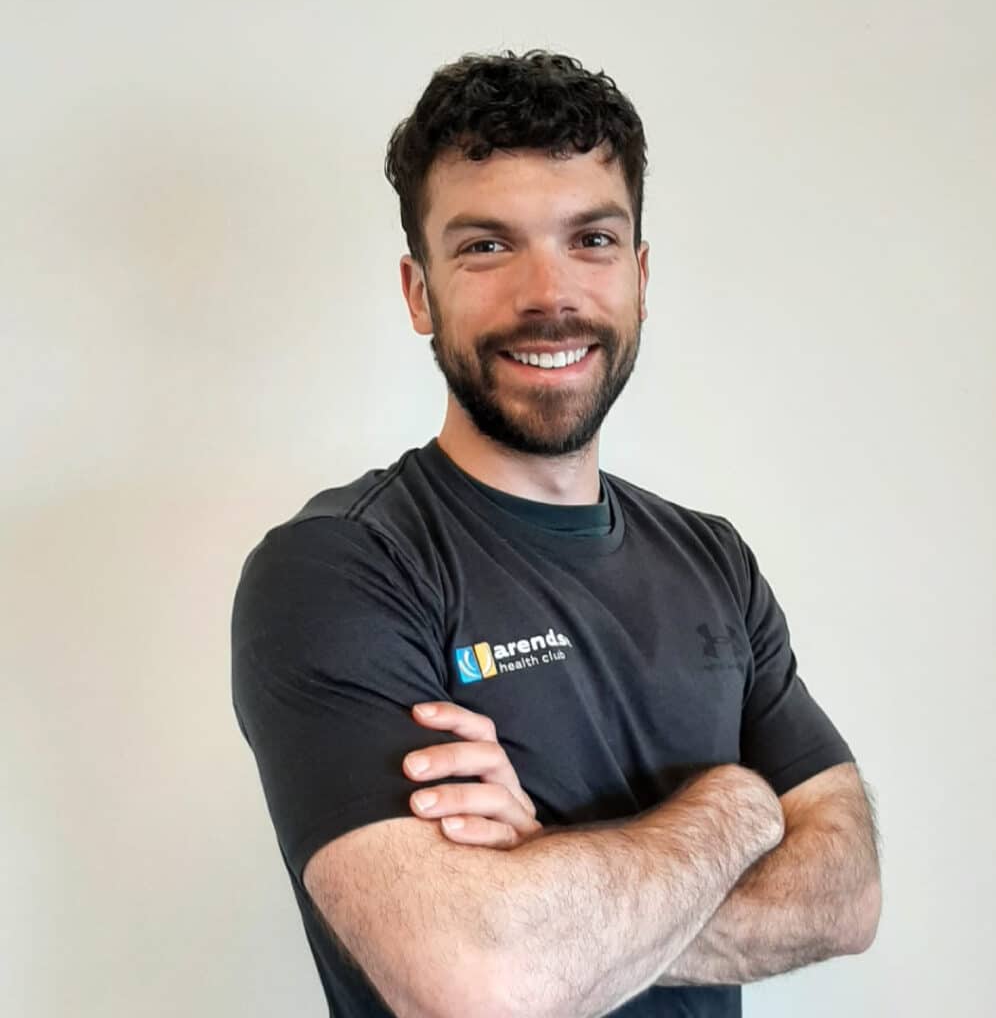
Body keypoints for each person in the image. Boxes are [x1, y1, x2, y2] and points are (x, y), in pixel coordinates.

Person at [231, 49, 881, 1018]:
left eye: (592, 239)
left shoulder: (713, 560)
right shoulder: (341, 569)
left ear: (640, 276)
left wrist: (551, 893)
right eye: (487, 246)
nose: (549, 292)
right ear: (419, 291)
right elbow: (475, 981)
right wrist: (738, 806)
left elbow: (847, 895)